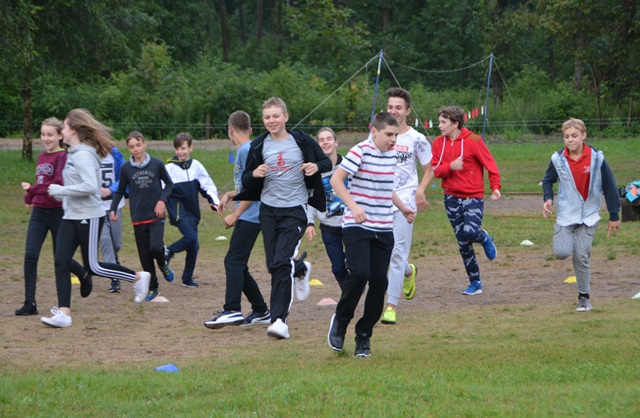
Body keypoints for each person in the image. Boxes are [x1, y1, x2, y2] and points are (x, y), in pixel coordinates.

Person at [41, 109, 151, 328]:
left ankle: (138, 277)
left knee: (93, 266)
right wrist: (62, 194)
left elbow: (91, 187)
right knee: (61, 260)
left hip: (89, 216)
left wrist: (60, 190)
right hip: (71, 215)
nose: (62, 129)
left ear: (74, 130)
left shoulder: (83, 154)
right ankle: (64, 313)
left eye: (64, 126)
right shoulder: (73, 153)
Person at [234, 97, 331, 339]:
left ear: (285, 117)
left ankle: (279, 321)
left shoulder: (301, 140)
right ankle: (300, 269)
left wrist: (315, 167)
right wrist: (255, 173)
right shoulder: (259, 145)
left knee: (280, 263)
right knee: (274, 265)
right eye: (267, 117)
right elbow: (245, 178)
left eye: (276, 116)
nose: (272, 120)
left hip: (295, 211)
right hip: (268, 212)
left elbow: (325, 161)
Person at [327, 112, 416, 358]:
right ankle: (341, 321)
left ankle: (364, 334)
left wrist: (402, 208)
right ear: (374, 132)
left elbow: (386, 188)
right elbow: (336, 180)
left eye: (396, 135)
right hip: (356, 225)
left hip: (383, 227)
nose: (393, 140)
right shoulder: (360, 151)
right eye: (389, 135)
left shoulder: (392, 155)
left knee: (379, 282)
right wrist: (354, 207)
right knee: (359, 274)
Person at [542, 118, 621, 312]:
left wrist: (614, 215)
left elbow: (609, 186)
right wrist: (548, 198)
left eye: (574, 136)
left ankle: (584, 297)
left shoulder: (597, 158)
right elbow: (548, 180)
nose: (570, 140)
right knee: (561, 252)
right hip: (566, 215)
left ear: (583, 135)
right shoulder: (557, 159)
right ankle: (568, 242)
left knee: (582, 255)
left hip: (589, 216)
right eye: (566, 136)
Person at [204, 111, 270, 329]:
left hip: (251, 215)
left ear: (230, 130)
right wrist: (230, 195)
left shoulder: (244, 151)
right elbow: (247, 186)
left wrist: (236, 213)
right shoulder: (250, 148)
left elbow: (254, 190)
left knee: (232, 261)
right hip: (253, 213)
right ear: (250, 130)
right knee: (238, 264)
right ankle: (261, 310)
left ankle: (232, 309)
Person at [16, 117, 88, 316]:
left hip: (58, 212)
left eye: (50, 134)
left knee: (61, 258)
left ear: (59, 136)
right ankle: (30, 303)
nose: (46, 138)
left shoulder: (63, 157)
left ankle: (83, 273)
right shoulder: (41, 157)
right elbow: (41, 181)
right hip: (39, 212)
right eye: (43, 134)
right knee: (31, 255)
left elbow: (55, 183)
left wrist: (31, 190)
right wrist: (30, 196)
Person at [431, 105, 501, 296]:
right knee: (462, 241)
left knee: (470, 232)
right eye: (439, 122)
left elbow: (491, 165)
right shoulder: (438, 143)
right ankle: (475, 282)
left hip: (473, 196)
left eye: (443, 122)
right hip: (451, 198)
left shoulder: (474, 141)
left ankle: (483, 237)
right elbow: (435, 171)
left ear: (455, 123)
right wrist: (450, 166)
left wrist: (495, 186)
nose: (439, 126)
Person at [380, 87, 434, 325]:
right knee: (384, 252)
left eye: (398, 108)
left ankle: (391, 306)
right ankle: (409, 271)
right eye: (390, 107)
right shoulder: (379, 135)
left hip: (406, 202)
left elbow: (429, 170)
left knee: (396, 252)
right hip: (381, 201)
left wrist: (420, 191)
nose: (394, 111)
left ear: (407, 111)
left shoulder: (417, 139)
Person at [110, 131, 174, 302]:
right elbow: (120, 191)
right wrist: (113, 209)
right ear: (128, 148)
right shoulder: (126, 168)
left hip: (156, 214)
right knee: (145, 256)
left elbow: (169, 184)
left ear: (144, 144)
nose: (136, 149)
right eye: (132, 147)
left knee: (156, 248)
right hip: (138, 217)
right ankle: (153, 288)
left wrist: (162, 200)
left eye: (138, 145)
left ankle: (163, 263)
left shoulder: (157, 164)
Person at [164, 132, 220, 289]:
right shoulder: (168, 168)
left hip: (193, 212)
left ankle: (187, 278)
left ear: (190, 148)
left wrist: (214, 201)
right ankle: (168, 251)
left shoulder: (196, 166)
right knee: (190, 237)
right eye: (177, 148)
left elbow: (207, 185)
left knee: (194, 246)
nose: (180, 152)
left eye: (183, 148)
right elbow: (159, 189)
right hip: (178, 212)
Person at [304, 127, 348, 290]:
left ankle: (353, 291)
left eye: (329, 139)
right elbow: (311, 199)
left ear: (336, 142)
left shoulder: (348, 165)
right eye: (321, 140)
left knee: (355, 265)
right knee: (338, 268)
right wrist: (310, 223)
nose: (325, 142)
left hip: (351, 224)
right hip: (329, 227)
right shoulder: (314, 170)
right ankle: (349, 296)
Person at [98, 146, 126, 293]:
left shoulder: (115, 155)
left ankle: (114, 259)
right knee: (104, 240)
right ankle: (114, 278)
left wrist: (111, 189)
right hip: (96, 208)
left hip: (115, 205)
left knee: (116, 243)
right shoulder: (86, 154)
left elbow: (124, 177)